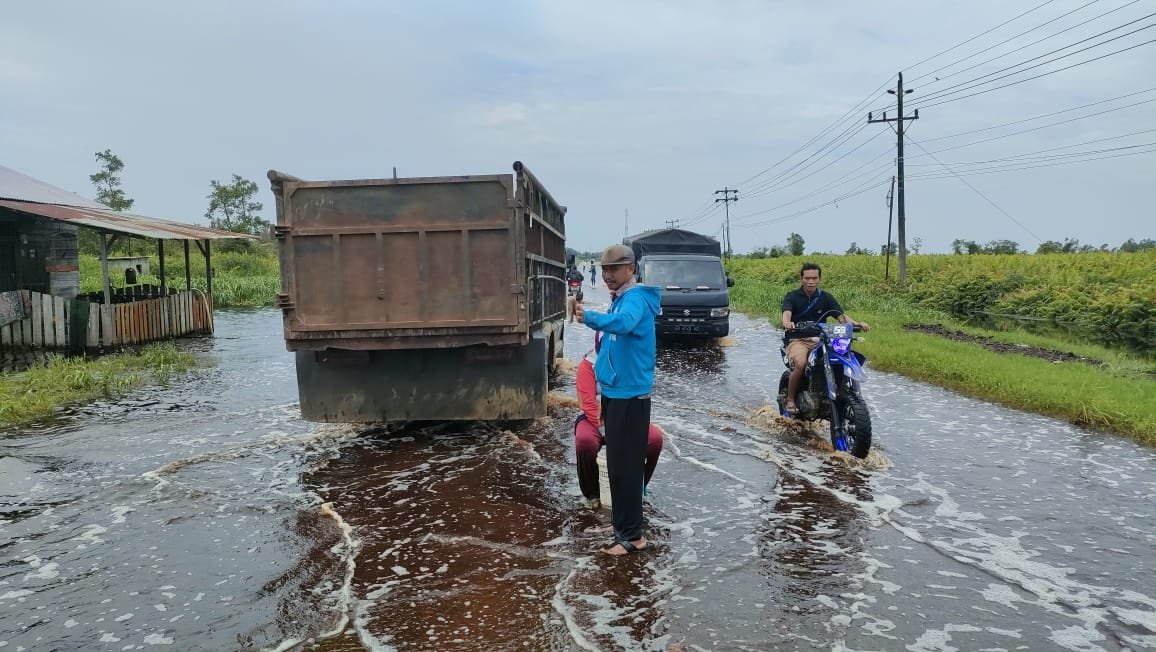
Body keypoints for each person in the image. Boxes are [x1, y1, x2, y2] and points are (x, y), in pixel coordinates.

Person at [573, 244, 661, 556]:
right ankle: (623, 530)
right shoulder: (620, 298)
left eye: (614, 269)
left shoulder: (635, 299)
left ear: (630, 269)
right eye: (605, 269)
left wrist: (590, 317)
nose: (608, 275)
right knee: (618, 465)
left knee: (626, 467)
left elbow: (623, 324)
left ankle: (633, 537)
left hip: (629, 395)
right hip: (615, 392)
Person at [574, 331, 664, 510]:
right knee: (585, 442)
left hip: (627, 418)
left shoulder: (631, 363)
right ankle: (592, 493)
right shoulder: (587, 365)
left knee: (654, 440)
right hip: (595, 420)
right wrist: (612, 432)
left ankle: (638, 486)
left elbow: (638, 396)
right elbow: (589, 404)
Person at [781, 262, 870, 415]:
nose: (810, 281)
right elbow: (787, 313)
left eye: (814, 278)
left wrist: (857, 324)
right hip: (798, 340)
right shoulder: (792, 296)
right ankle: (790, 399)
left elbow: (841, 317)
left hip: (822, 339)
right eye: (807, 278)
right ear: (801, 279)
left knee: (841, 356)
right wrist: (787, 322)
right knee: (801, 364)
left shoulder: (826, 298)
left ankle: (840, 391)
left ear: (819, 279)